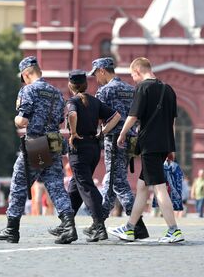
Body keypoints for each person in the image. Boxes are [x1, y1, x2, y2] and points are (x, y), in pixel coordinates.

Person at [0, 56, 77, 244]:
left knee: (19, 183)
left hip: (36, 144)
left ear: (26, 73)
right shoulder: (56, 92)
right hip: (54, 142)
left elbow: (22, 121)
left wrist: (15, 120)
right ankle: (69, 226)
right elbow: (59, 120)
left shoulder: (28, 90)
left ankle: (12, 229)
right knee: (55, 185)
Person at [109, 57, 184, 243]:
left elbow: (133, 116)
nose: (133, 79)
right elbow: (172, 122)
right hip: (163, 144)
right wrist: (170, 147)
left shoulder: (143, 88)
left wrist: (122, 134)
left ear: (137, 71)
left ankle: (174, 230)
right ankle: (129, 228)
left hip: (150, 145)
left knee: (159, 188)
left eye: (132, 75)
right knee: (142, 186)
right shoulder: (169, 90)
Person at [89, 57, 149, 239]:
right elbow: (138, 116)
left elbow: (97, 118)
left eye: (95, 74)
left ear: (102, 71)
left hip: (113, 140)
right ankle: (98, 223)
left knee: (118, 182)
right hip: (129, 140)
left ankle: (137, 223)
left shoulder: (104, 91)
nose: (95, 79)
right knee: (110, 181)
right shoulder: (131, 89)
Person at [65, 70, 121, 241]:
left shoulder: (73, 101)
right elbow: (117, 116)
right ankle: (66, 224)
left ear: (70, 85)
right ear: (86, 85)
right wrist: (102, 132)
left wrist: (73, 133)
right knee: (76, 187)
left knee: (86, 186)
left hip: (79, 148)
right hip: (94, 148)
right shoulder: (95, 101)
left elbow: (72, 114)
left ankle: (98, 225)